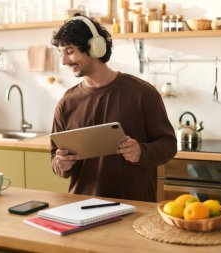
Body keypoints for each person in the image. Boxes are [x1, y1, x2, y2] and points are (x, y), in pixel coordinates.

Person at [50, 14, 177, 202]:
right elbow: (55, 157)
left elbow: (168, 145)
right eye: (61, 54)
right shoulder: (66, 102)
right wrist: (60, 163)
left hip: (135, 206)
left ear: (94, 48)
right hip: (82, 206)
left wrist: (141, 151)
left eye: (69, 52)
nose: (64, 62)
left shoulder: (142, 93)